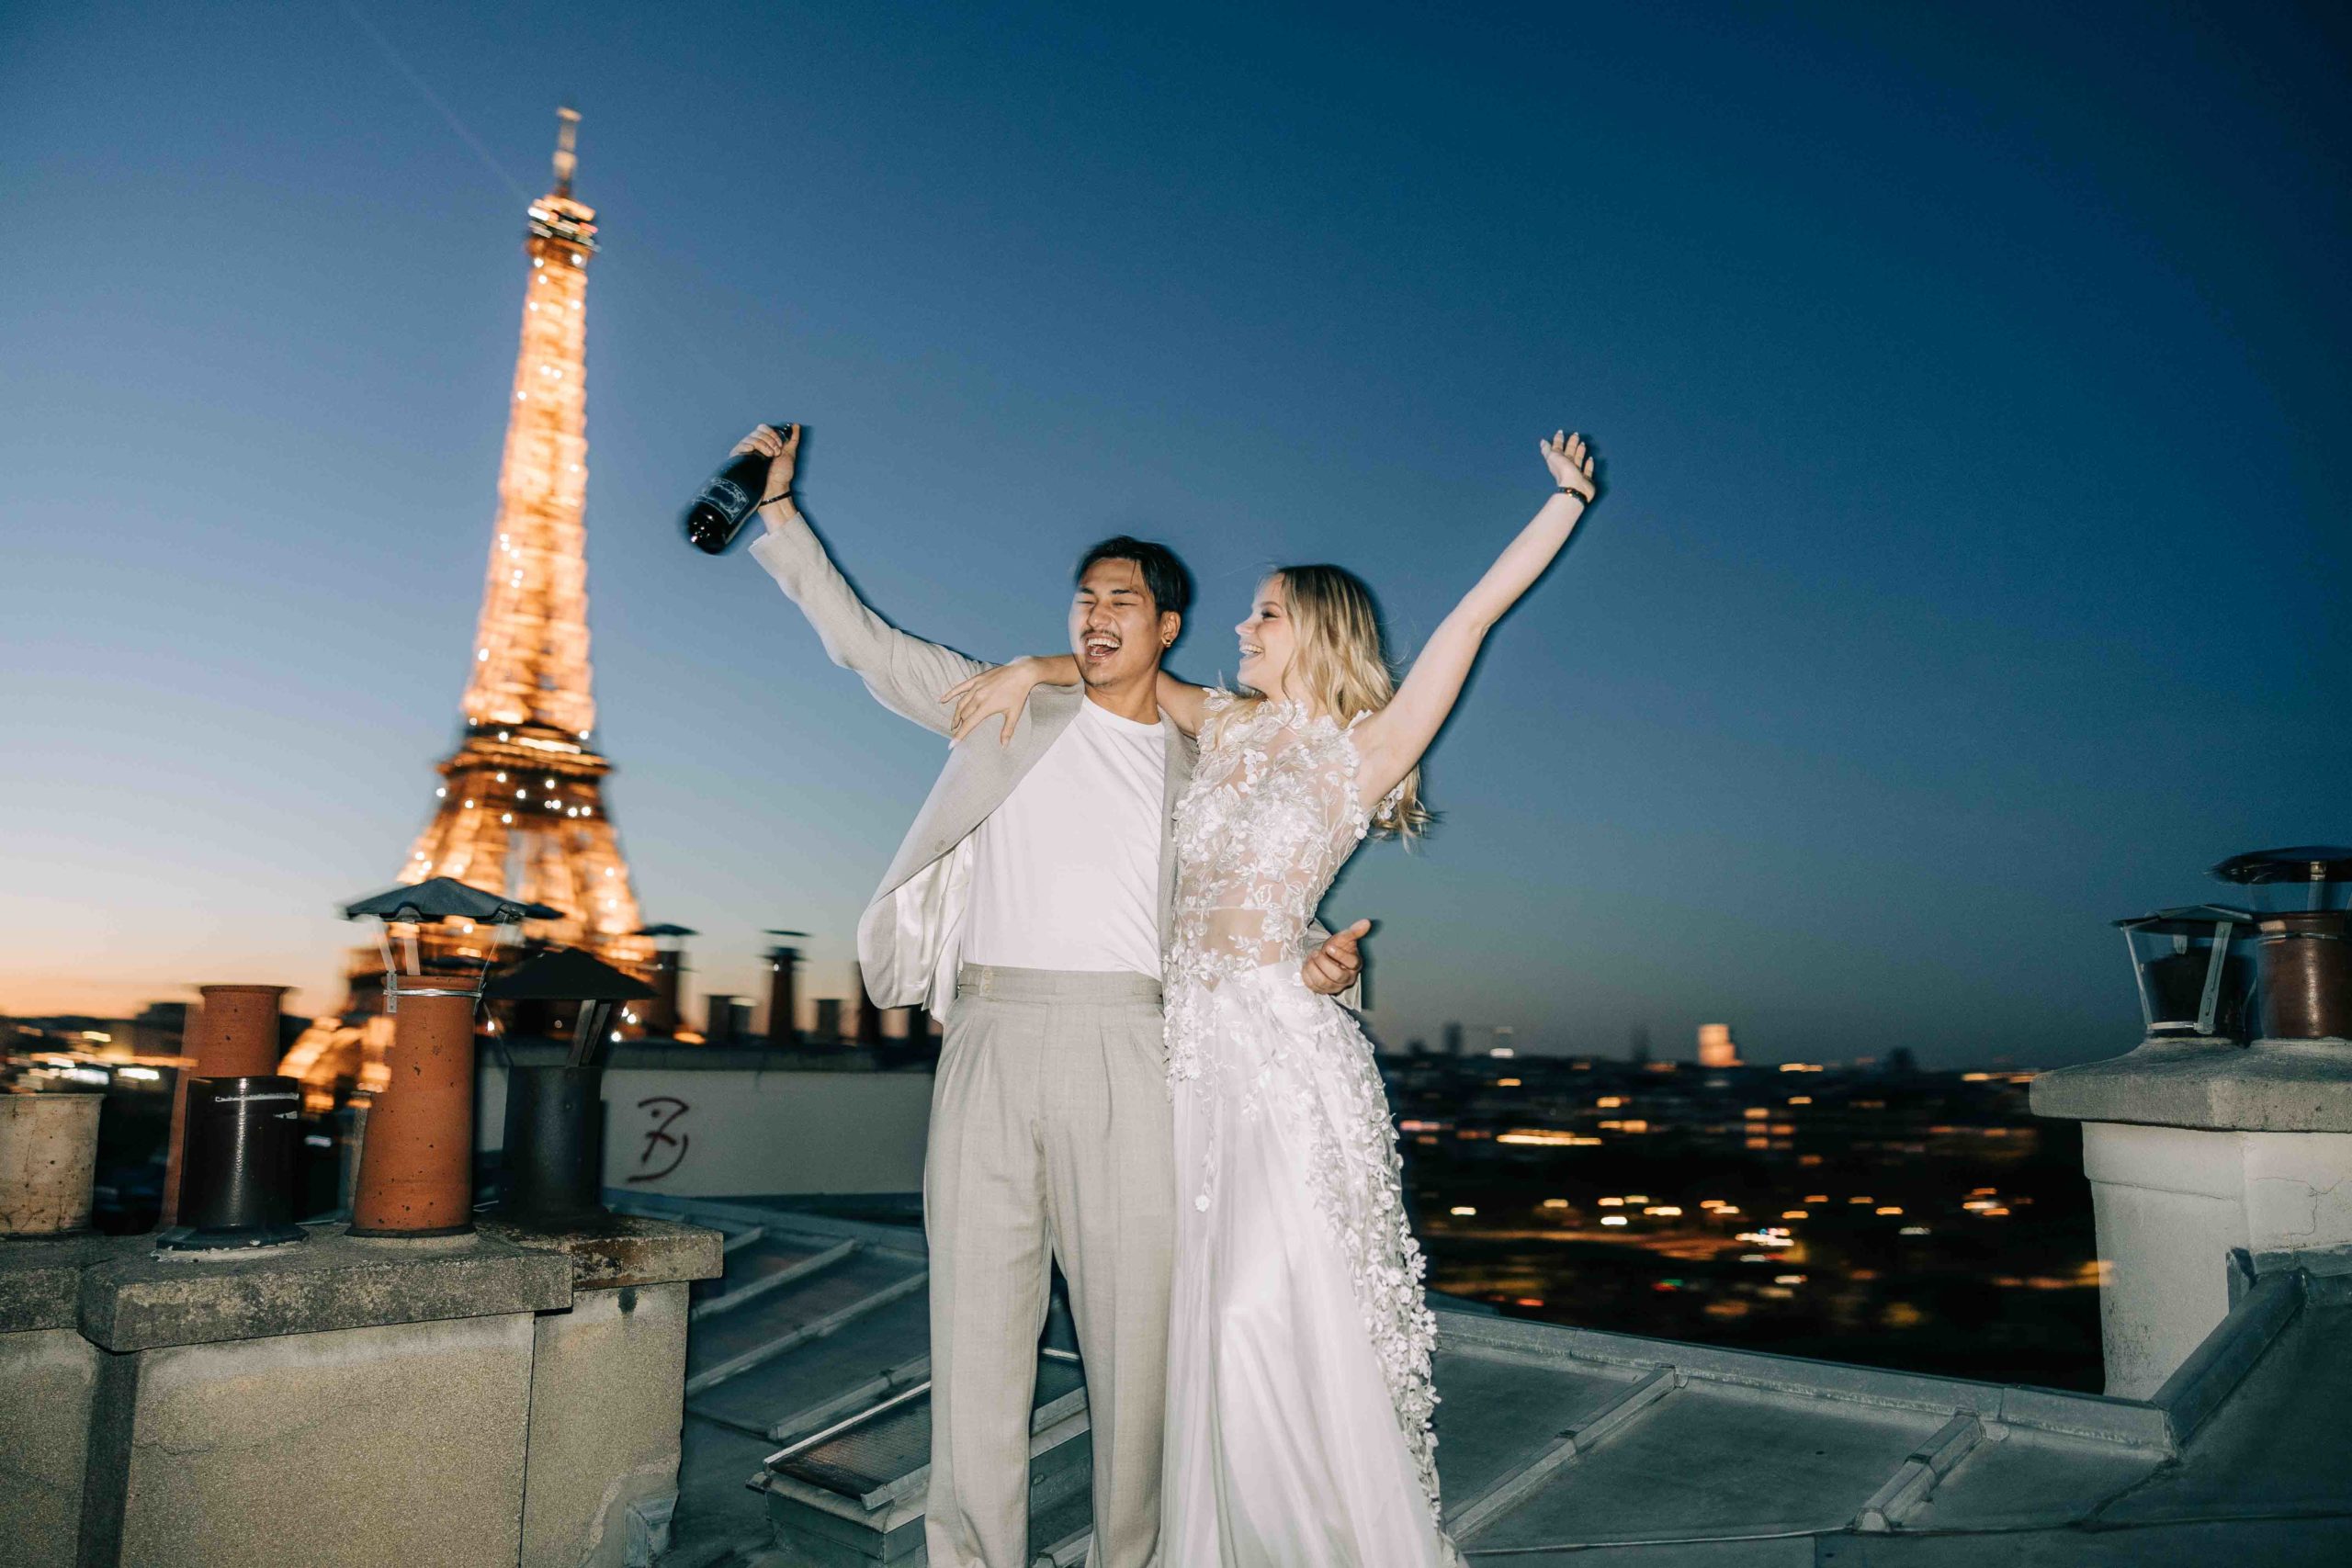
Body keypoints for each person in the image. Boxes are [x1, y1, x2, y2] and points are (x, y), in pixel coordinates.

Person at [945, 430, 1601, 1564]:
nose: (1242, 630)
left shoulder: (1365, 749)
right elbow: (1121, 674)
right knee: (1199, 1315)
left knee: (1265, 1306)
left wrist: (1563, 504)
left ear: (1320, 631)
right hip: (1186, 1053)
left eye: (1264, 615)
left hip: (1277, 1056)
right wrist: (1028, 670)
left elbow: (1469, 623)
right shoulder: (1228, 724)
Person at [729, 424, 1372, 1568]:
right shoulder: (1006, 706)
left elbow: (1255, 886)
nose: (1095, 615)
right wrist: (778, 512)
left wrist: (1318, 962)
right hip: (987, 1035)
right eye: (1083, 599)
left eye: (1122, 601)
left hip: (1132, 1047)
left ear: (1166, 627)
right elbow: (866, 645)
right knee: (975, 1333)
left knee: (1136, 1344)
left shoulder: (1207, 757)